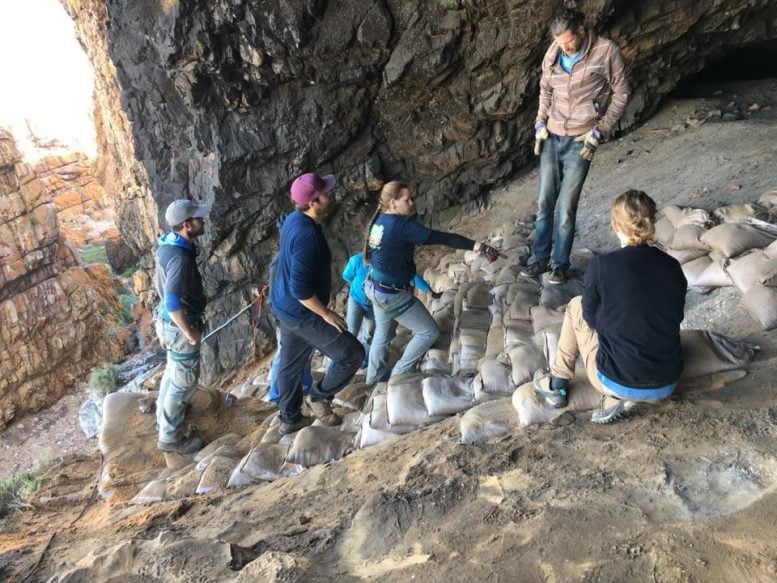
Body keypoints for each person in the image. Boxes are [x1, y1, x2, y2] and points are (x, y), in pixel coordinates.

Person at [533, 190, 687, 423]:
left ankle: (557, 382)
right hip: (667, 382)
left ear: (614, 224)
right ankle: (620, 394)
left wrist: (614, 322)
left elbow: (590, 319)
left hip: (615, 379)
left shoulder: (601, 265)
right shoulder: (672, 265)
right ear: (652, 222)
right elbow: (676, 315)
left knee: (575, 306)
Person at [521, 7, 629, 285]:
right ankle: (538, 259)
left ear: (581, 30)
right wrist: (540, 122)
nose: (565, 48)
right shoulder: (553, 52)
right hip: (552, 135)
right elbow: (546, 89)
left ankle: (559, 264)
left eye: (569, 42)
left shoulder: (606, 51)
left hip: (582, 139)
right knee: (544, 202)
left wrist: (600, 129)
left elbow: (621, 93)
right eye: (560, 43)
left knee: (566, 208)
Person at [363, 181, 500, 385]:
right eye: (407, 199)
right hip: (391, 294)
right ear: (393, 203)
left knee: (382, 335)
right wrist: (476, 246)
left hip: (374, 286)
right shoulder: (401, 226)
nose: (412, 203)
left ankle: (372, 381)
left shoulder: (379, 220)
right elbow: (443, 238)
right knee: (428, 332)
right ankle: (399, 376)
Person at [269, 172, 364, 434]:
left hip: (283, 305)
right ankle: (319, 396)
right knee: (352, 354)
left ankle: (289, 419)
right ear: (312, 202)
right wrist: (326, 314)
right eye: (325, 193)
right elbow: (300, 290)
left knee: (290, 363)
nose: (330, 196)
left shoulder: (292, 219)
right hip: (302, 311)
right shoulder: (307, 235)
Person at [154, 199, 210, 453]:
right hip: (178, 325)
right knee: (185, 381)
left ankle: (162, 416)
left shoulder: (167, 244)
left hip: (164, 323)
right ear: (186, 225)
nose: (203, 220)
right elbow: (172, 301)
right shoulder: (180, 258)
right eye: (198, 218)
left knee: (173, 369)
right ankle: (170, 437)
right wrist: (189, 332)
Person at [342, 251, 442, 369]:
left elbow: (412, 276)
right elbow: (347, 276)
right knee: (351, 332)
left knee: (369, 334)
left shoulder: (387, 261)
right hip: (356, 301)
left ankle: (364, 361)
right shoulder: (357, 260)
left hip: (374, 304)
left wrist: (428, 290)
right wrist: (356, 288)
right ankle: (342, 363)